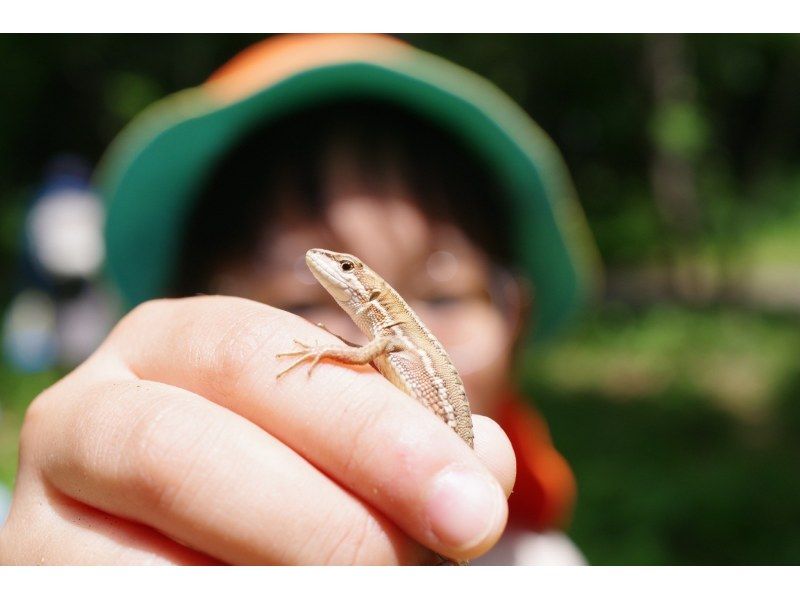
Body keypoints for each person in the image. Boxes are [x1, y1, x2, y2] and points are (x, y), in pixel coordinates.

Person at [0, 34, 599, 565]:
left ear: (515, 315)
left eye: (445, 292)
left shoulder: (537, 564)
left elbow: (372, 355)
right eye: (297, 293)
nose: (323, 274)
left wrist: (320, 356)